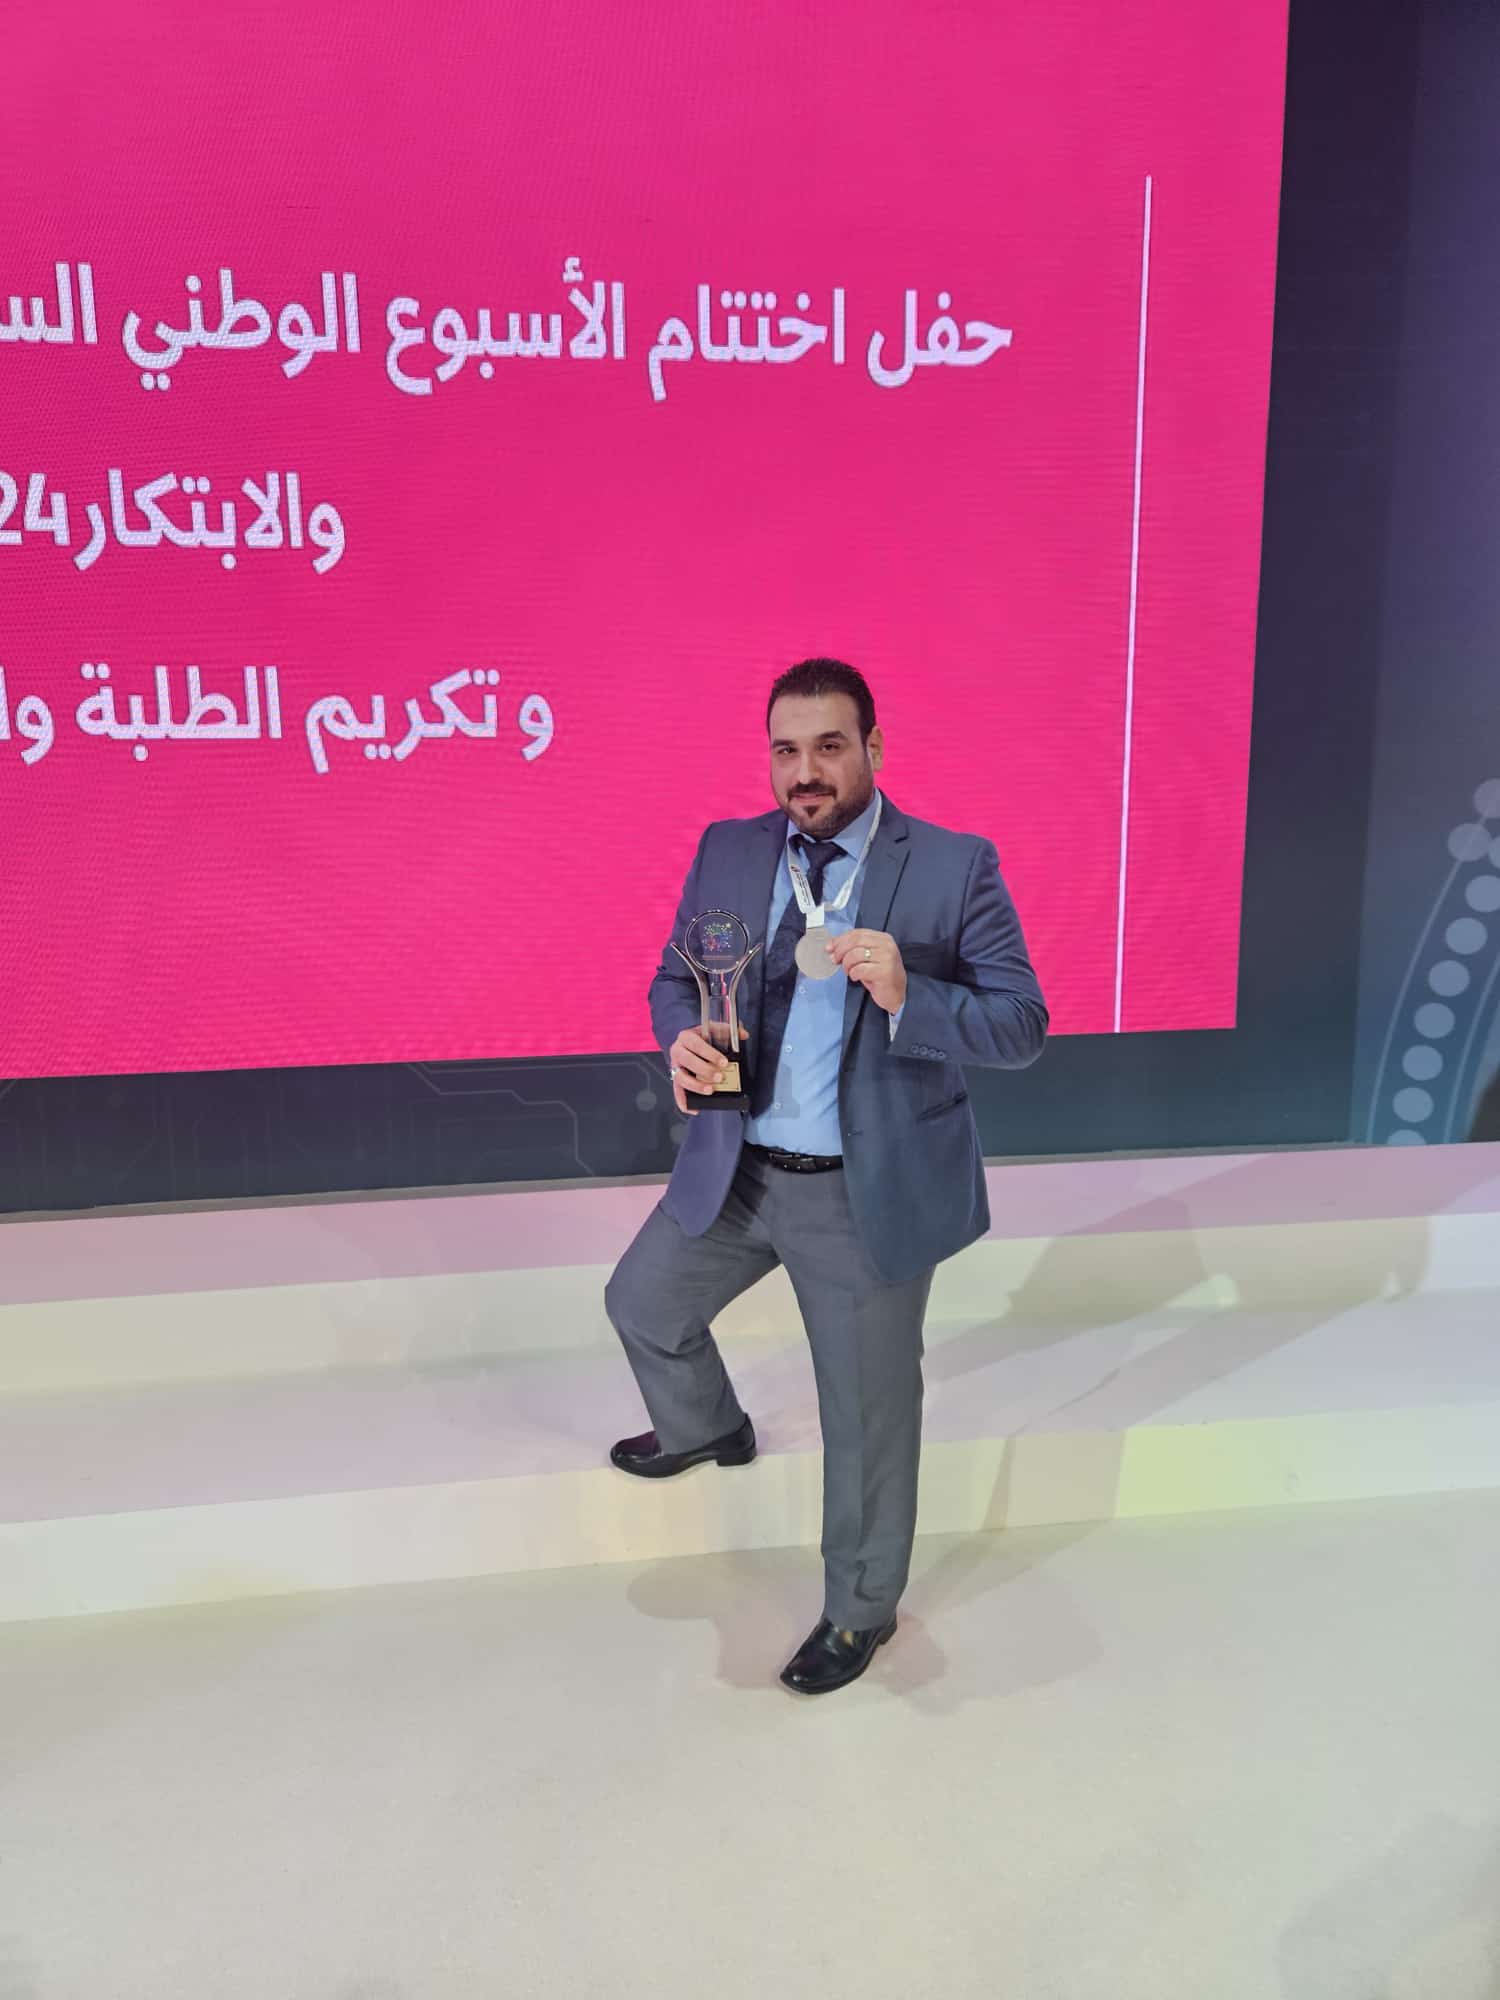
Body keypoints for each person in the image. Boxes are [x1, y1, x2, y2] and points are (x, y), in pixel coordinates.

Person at [605, 658, 1048, 1694]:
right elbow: (675, 977)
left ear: (874, 748)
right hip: (738, 1167)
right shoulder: (727, 849)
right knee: (641, 1303)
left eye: (829, 746)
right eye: (786, 750)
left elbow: (1021, 1023)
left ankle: (861, 1610)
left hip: (862, 1193)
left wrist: (908, 993)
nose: (805, 771)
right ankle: (710, 1427)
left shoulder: (953, 865)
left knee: (866, 1418)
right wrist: (681, 1037)